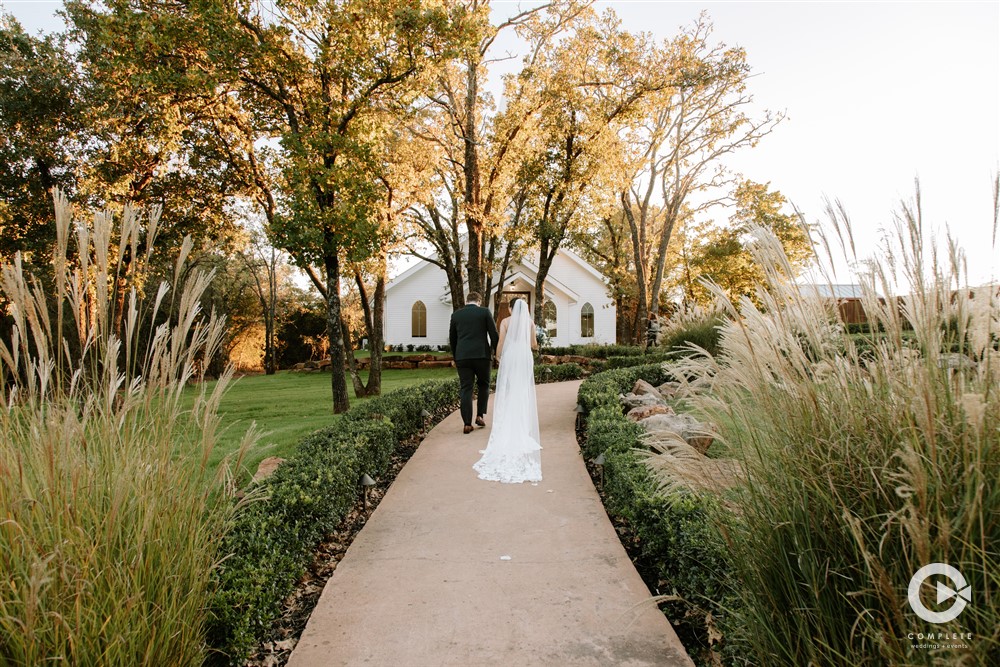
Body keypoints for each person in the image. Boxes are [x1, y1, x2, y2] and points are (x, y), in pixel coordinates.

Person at [473, 298, 542, 484]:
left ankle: (509, 425)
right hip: (525, 356)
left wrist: (498, 356)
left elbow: (502, 341)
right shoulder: (530, 323)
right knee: (522, 391)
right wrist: (531, 343)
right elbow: (534, 344)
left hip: (511, 356)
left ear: (511, 308)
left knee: (510, 390)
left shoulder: (505, 321)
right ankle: (521, 426)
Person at [449, 292, 499, 435]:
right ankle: (480, 415)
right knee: (484, 385)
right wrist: (497, 352)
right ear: (479, 301)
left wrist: (456, 355)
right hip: (482, 355)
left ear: (466, 301)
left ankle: (466, 424)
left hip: (462, 357)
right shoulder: (484, 312)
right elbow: (493, 333)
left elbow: (453, 338)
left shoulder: (456, 315)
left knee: (466, 388)